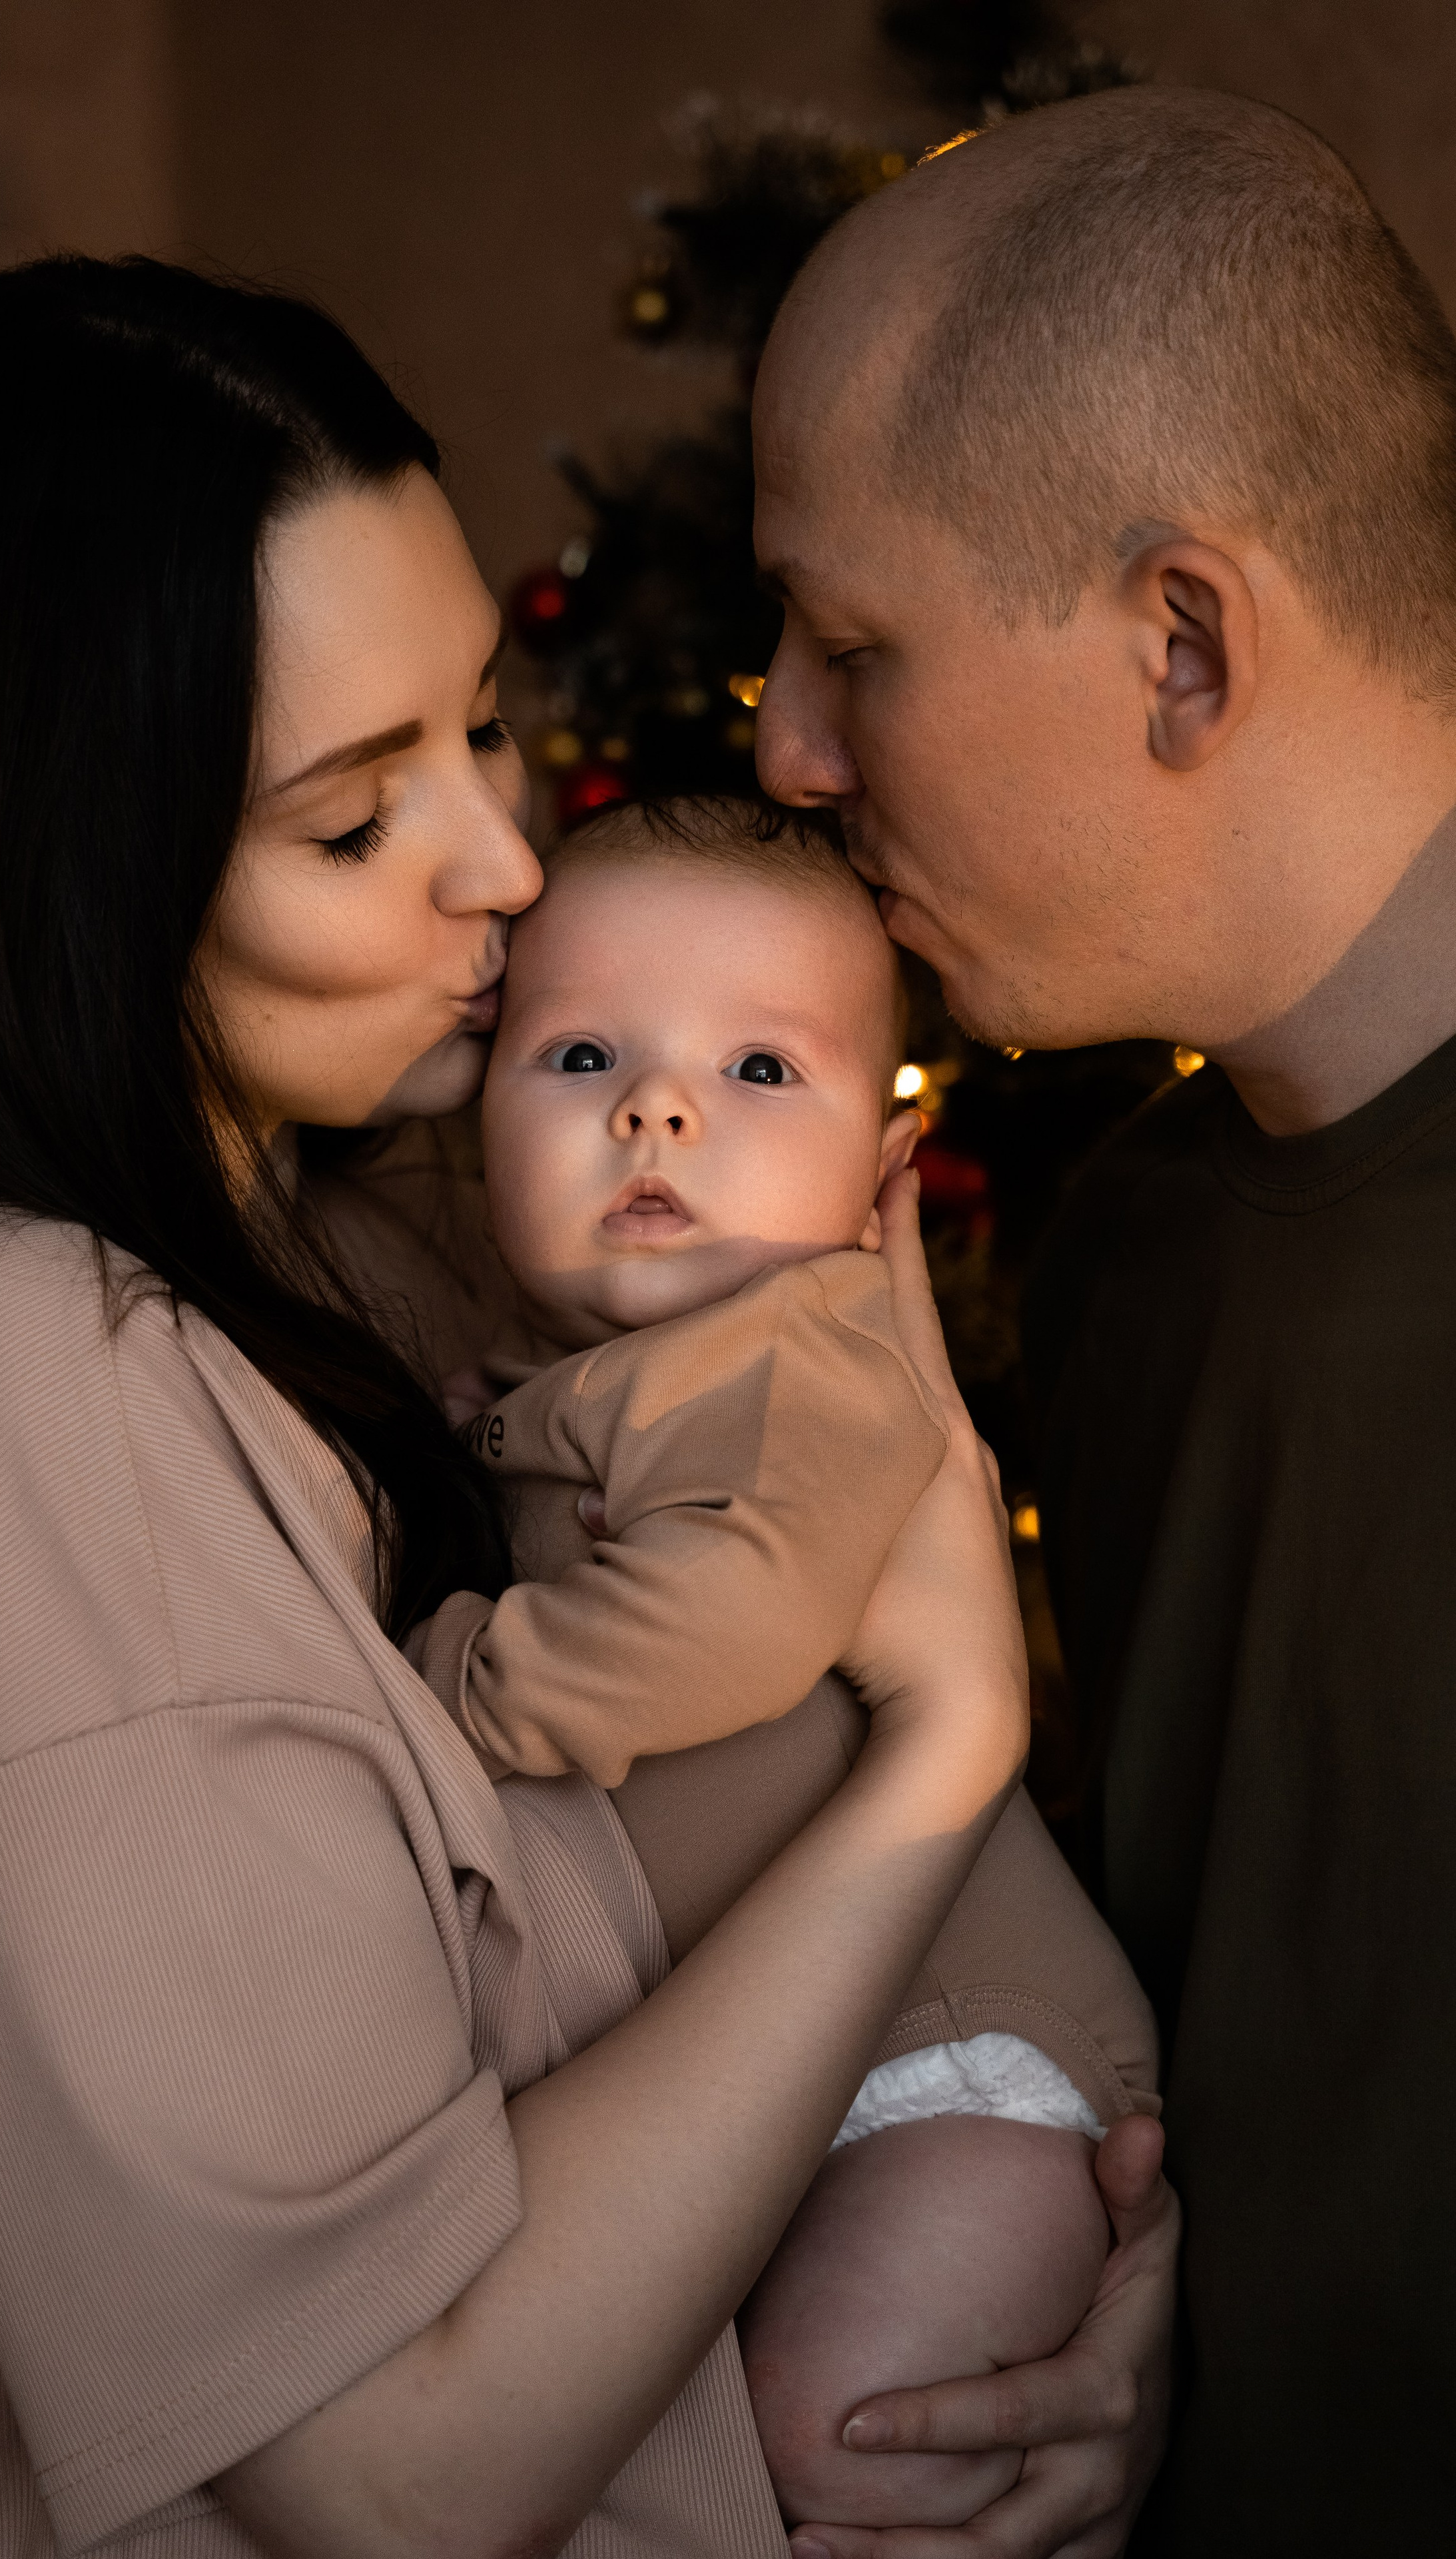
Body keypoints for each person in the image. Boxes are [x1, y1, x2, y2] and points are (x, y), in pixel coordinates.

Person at [0, 254, 1038, 2559]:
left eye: (484, 722)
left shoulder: (385, 1220)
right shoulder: (9, 1393)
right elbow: (393, 2461)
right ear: (68, 870)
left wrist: (1033, 2329)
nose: (507, 862)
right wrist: (941, 1753)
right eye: (355, 821)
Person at [753, 76, 1456, 2559]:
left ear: (1184, 638)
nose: (784, 740)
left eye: (857, 643)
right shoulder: (1120, 1249)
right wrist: (1139, 2319)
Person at [421, 788, 1160, 2539]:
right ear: (482, 1119)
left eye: (762, 1070)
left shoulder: (804, 1345)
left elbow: (729, 1613)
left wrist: (458, 1683)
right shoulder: (590, 1374)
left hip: (946, 2061)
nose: (658, 1106)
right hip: (781, 2057)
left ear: (884, 1168)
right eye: (584, 1050)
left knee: (842, 2441)